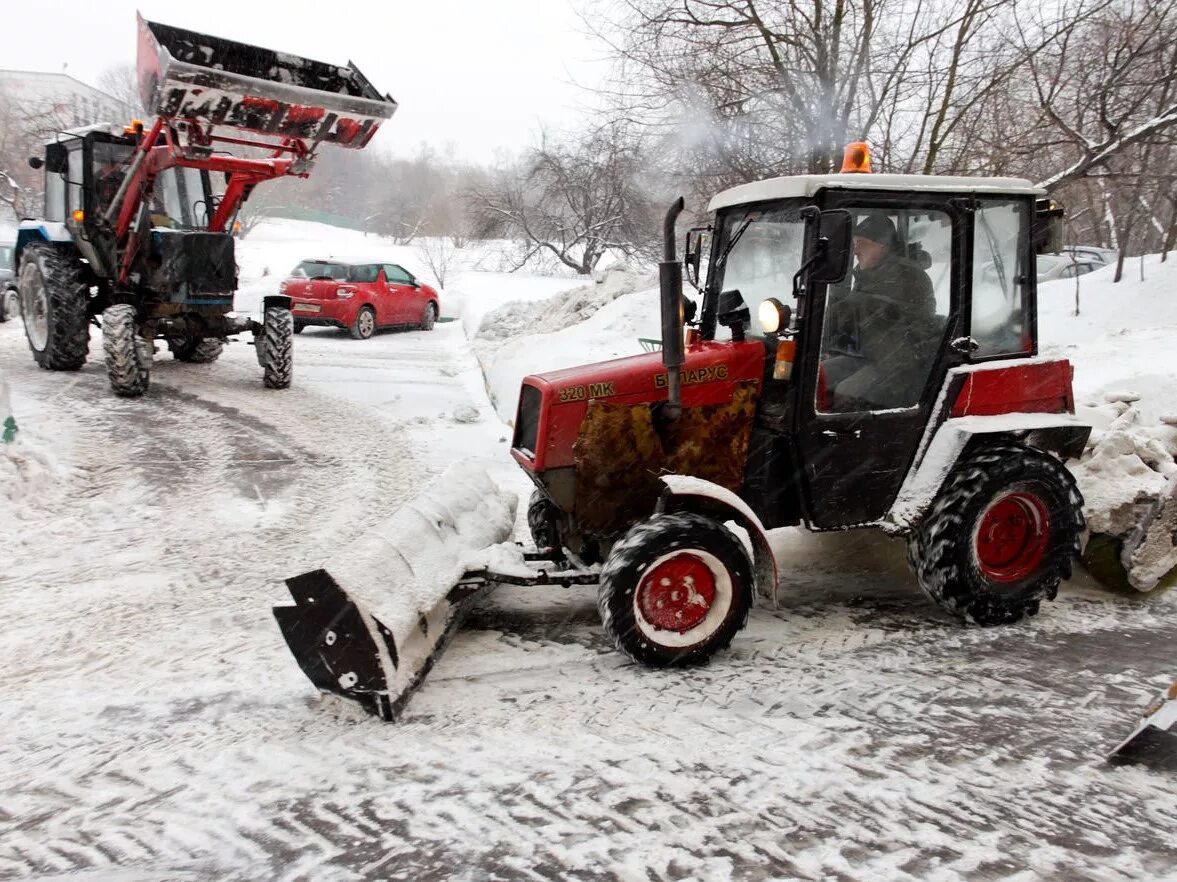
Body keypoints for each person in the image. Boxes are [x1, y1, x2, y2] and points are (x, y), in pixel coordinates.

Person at [822, 214, 939, 411]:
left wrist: (851, 307)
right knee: (819, 375)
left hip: (899, 361)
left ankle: (846, 436)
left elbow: (889, 314)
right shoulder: (867, 274)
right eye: (854, 242)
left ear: (882, 246)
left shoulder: (907, 275)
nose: (856, 250)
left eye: (862, 243)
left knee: (846, 390)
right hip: (868, 354)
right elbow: (851, 313)